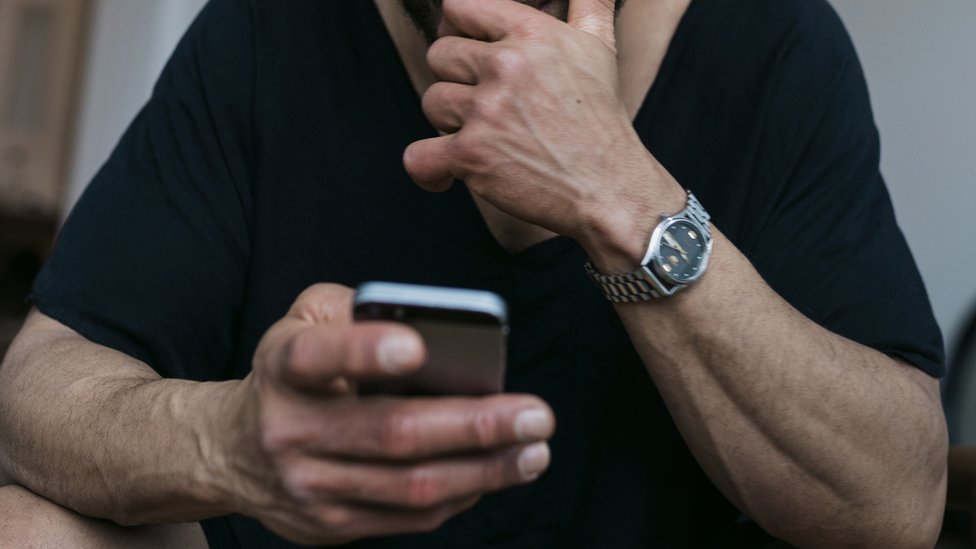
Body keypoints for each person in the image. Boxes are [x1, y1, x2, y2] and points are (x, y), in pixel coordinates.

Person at [0, 0, 949, 546]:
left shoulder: (771, 42)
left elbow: (897, 500)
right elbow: (41, 390)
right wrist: (225, 442)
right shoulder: (270, 27)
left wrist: (622, 196)